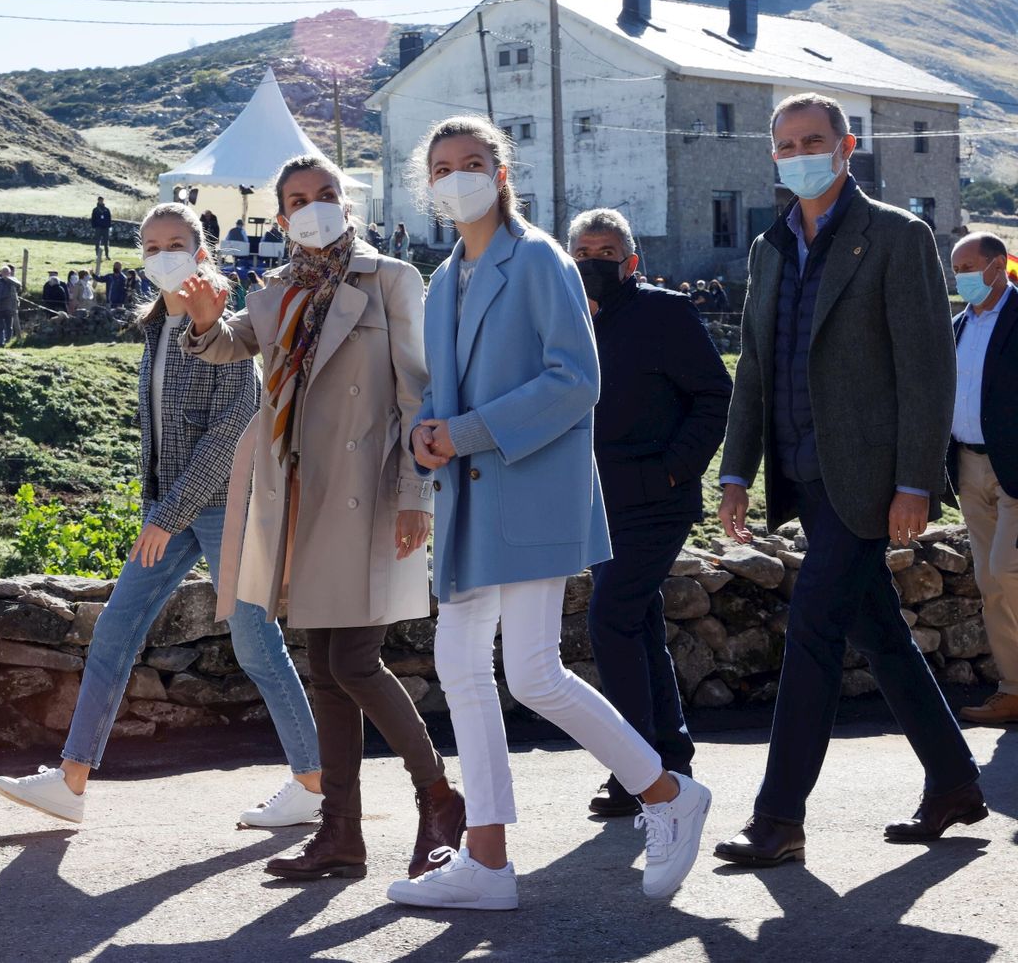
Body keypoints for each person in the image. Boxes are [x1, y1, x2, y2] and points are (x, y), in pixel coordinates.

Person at [389, 116, 711, 910]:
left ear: (503, 173)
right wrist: (423, 432)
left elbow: (576, 381)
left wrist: (456, 433)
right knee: (463, 666)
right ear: (426, 187)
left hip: (528, 491)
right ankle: (489, 864)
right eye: (441, 167)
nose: (456, 176)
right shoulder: (443, 280)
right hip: (469, 491)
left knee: (531, 672)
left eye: (472, 162)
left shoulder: (540, 260)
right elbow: (441, 389)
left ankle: (668, 795)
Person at [714, 92, 983, 867]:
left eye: (813, 139)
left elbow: (929, 373)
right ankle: (956, 783)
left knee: (815, 632)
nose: (799, 152)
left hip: (868, 481)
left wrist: (914, 481)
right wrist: (736, 471)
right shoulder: (768, 249)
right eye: (786, 142)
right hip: (801, 473)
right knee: (881, 636)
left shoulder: (897, 237)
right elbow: (756, 371)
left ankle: (778, 818)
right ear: (773, 154)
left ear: (846, 144)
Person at [0, 202, 322, 829]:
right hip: (168, 512)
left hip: (224, 509)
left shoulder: (219, 330)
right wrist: (161, 509)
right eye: (150, 246)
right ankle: (71, 780)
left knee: (256, 645)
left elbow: (233, 430)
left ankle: (312, 783)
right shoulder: (155, 330)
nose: (162, 254)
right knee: (115, 631)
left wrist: (167, 513)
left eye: (176, 242)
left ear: (203, 251)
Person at [181, 154, 457, 883]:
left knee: (352, 662)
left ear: (347, 201)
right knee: (326, 672)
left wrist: (415, 495)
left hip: (370, 492)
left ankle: (438, 798)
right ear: (279, 219)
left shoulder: (391, 278)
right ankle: (341, 837)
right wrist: (205, 319)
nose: (314, 208)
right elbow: (228, 341)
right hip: (299, 500)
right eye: (298, 200)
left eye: (325, 194)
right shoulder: (274, 293)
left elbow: (417, 398)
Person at [569, 207, 733, 819]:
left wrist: (674, 466)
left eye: (607, 253)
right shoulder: (564, 319)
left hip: (656, 497)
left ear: (631, 261)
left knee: (611, 619)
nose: (594, 263)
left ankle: (635, 772)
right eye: (583, 252)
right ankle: (670, 759)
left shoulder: (666, 312)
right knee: (636, 622)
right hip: (595, 500)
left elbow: (715, 393)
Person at [945, 232, 1018, 725]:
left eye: (969, 267)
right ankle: (1013, 689)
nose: (961, 278)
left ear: (998, 266)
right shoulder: (956, 327)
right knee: (989, 580)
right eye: (956, 270)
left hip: (1014, 467)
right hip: (968, 467)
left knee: (1006, 571)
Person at [0, 266, 21, 345]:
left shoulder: (13, 280)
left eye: (6, 272)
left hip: (9, 307)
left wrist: (8, 279)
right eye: (3, 272)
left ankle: (8, 342)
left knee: (9, 327)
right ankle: (1, 342)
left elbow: (19, 286)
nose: (5, 274)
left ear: (10, 273)